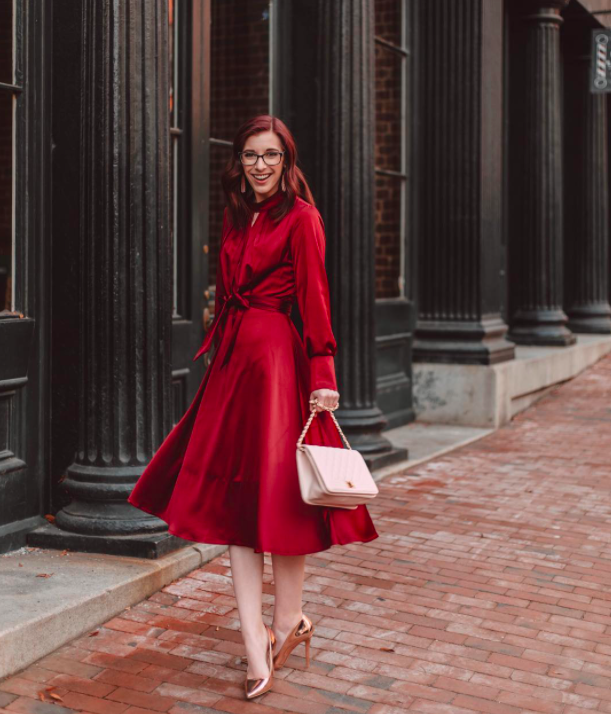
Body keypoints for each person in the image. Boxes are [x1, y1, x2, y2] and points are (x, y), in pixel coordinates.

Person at [127, 114, 379, 700]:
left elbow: (315, 298)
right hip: (234, 365)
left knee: (282, 502)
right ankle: (252, 641)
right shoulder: (237, 216)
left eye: (269, 155)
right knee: (235, 505)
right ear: (238, 162)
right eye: (249, 155)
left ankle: (288, 622)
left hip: (276, 366)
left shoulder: (302, 219)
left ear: (287, 162)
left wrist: (324, 374)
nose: (259, 165)